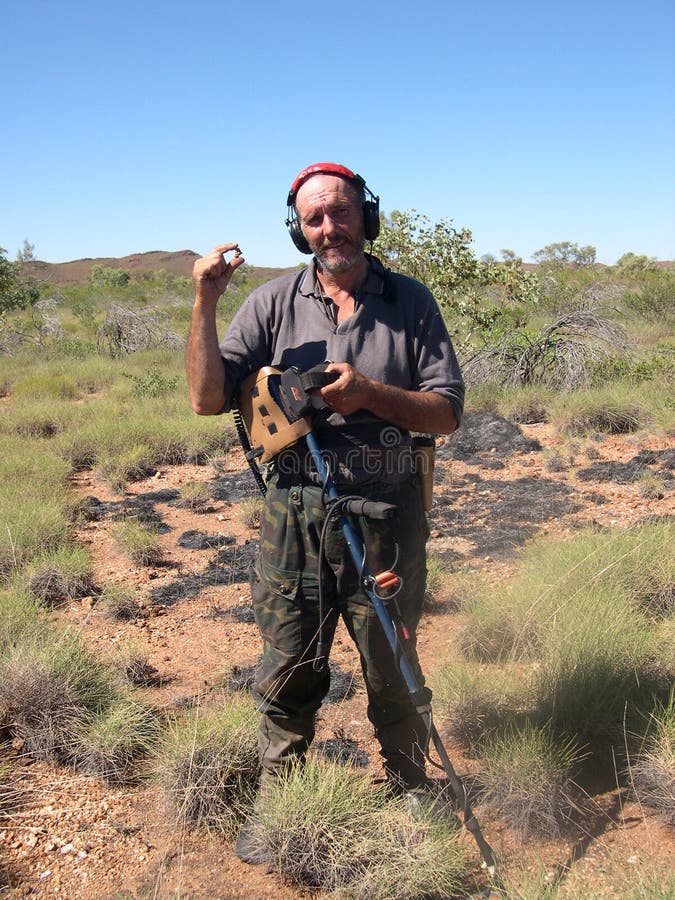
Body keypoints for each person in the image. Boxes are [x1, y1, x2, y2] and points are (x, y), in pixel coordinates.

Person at [186, 162, 465, 855]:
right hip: (293, 515)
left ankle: (409, 785)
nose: (328, 228)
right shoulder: (272, 302)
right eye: (313, 218)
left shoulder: (410, 302)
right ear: (297, 228)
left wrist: (368, 393)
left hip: (386, 513)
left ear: (364, 217)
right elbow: (203, 398)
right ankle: (284, 803)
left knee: (390, 660)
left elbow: (447, 411)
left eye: (339, 212)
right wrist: (205, 304)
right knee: (287, 666)